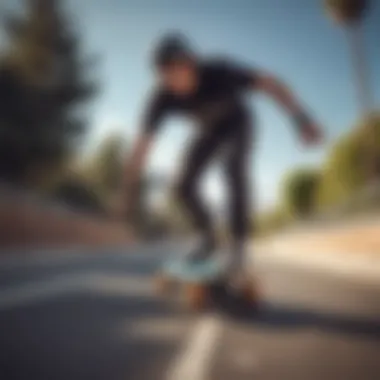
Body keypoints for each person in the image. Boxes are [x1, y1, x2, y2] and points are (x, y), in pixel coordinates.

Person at [121, 32, 323, 285]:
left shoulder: (219, 71)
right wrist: (128, 192)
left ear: (191, 62)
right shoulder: (161, 97)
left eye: (177, 72)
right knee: (181, 184)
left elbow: (270, 84)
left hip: (238, 123)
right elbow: (142, 145)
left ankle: (238, 247)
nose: (175, 83)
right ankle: (208, 239)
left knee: (232, 169)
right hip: (209, 131)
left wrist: (301, 119)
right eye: (166, 76)